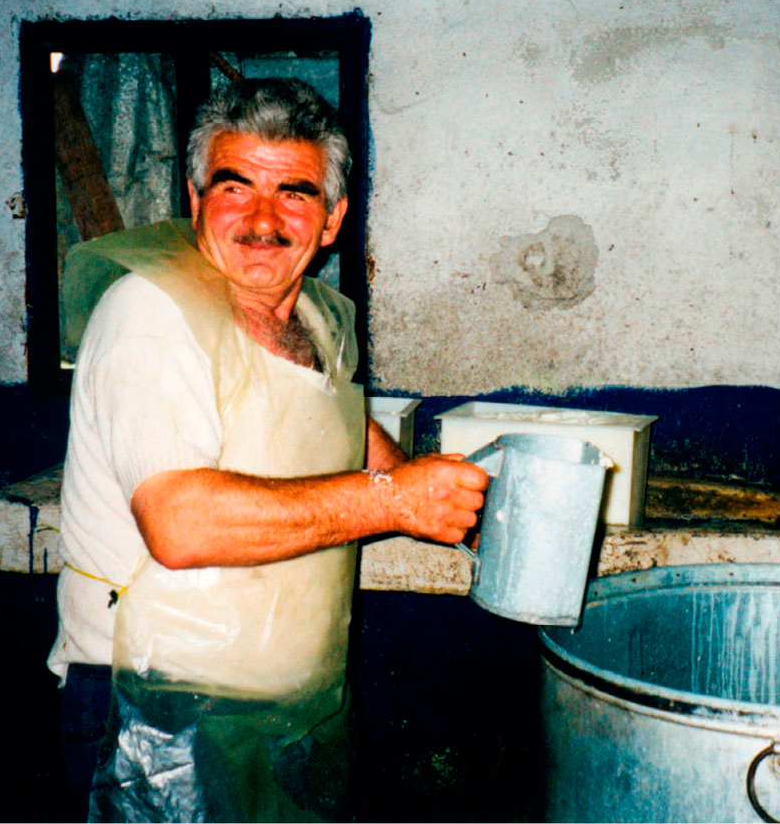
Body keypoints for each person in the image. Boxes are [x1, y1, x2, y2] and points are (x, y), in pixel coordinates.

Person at [50, 78, 489, 821]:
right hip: (158, 715)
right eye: (235, 186)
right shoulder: (152, 313)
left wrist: (444, 487)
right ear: (195, 201)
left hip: (290, 707)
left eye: (295, 192)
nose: (262, 218)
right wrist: (394, 499)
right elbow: (181, 524)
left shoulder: (313, 316)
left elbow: (343, 436)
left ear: (332, 220)